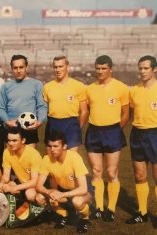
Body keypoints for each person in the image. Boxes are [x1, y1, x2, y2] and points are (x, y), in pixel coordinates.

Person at [85, 55, 129, 222]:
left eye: (104, 68)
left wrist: (116, 130)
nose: (100, 71)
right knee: (96, 171)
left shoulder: (121, 88)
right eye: (98, 68)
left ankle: (110, 208)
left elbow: (126, 113)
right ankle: (99, 207)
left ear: (111, 69)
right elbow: (88, 109)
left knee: (111, 172)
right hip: (94, 131)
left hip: (113, 132)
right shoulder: (90, 89)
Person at [36, 130, 92, 233]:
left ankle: (85, 219)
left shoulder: (74, 157)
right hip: (63, 192)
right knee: (39, 197)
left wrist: (62, 194)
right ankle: (63, 215)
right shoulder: (46, 159)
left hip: (79, 192)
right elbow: (39, 186)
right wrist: (49, 192)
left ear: (64, 146)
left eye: (56, 146)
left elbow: (83, 188)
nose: (52, 149)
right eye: (50, 146)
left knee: (77, 201)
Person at [125, 55, 157, 225]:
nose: (142, 71)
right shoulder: (134, 90)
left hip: (155, 134)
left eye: (146, 68)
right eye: (140, 68)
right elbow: (130, 113)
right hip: (137, 134)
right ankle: (142, 212)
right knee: (139, 175)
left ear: (154, 69)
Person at [0, 54, 47, 148]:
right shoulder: (6, 86)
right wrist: (8, 121)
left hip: (29, 130)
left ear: (26, 67)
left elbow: (42, 106)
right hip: (11, 130)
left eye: (21, 67)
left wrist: (39, 122)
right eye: (15, 68)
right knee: (11, 161)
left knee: (29, 161)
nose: (18, 70)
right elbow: (0, 108)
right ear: (11, 69)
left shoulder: (36, 84)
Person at [43, 55, 88, 152]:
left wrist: (77, 127)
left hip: (71, 125)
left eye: (61, 66)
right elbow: (44, 110)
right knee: (52, 160)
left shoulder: (78, 86)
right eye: (55, 67)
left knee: (72, 159)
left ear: (67, 66)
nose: (58, 69)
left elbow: (84, 111)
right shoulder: (47, 87)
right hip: (53, 124)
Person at [0, 127, 42, 202]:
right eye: (9, 141)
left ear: (23, 140)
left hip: (35, 185)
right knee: (5, 187)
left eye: (14, 141)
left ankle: (36, 206)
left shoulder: (34, 155)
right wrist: (1, 184)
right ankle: (19, 204)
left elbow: (34, 182)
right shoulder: (7, 152)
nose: (11, 143)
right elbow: (6, 176)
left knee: (30, 194)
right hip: (21, 182)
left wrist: (15, 188)